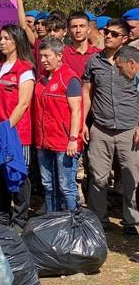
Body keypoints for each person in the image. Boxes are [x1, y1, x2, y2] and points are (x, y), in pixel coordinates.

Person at [83, 18, 139, 233]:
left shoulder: (132, 62)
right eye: (106, 31)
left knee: (131, 176)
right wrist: (83, 124)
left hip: (129, 129)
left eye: (114, 34)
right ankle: (99, 220)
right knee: (98, 176)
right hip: (101, 127)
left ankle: (131, 221)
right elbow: (86, 94)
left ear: (124, 39)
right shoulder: (93, 61)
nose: (107, 35)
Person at [0, 24, 36, 229]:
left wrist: (5, 128)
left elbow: (23, 104)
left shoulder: (25, 69)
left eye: (6, 38)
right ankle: (3, 213)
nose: (2, 42)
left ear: (17, 42)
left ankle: (20, 218)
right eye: (0, 38)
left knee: (18, 174)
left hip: (15, 133)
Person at [34, 37, 83, 212]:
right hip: (44, 141)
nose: (43, 60)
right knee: (48, 185)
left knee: (66, 187)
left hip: (64, 142)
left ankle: (74, 225)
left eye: (47, 56)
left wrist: (72, 138)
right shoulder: (41, 81)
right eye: (41, 56)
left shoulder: (69, 79)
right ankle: (52, 222)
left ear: (59, 56)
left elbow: (76, 110)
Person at [62, 12, 102, 78]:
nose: (78, 30)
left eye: (82, 26)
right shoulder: (61, 54)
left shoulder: (99, 54)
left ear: (89, 30)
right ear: (69, 31)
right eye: (74, 27)